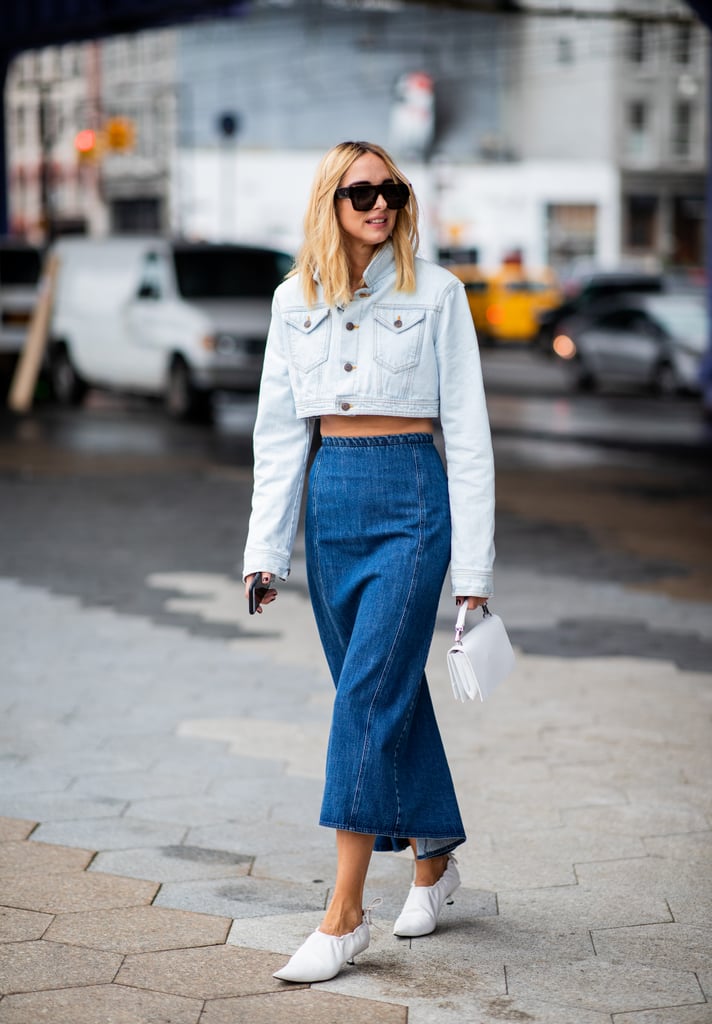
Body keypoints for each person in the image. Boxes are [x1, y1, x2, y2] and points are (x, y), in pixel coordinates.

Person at [243, 140, 495, 984]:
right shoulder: (292, 300)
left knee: (363, 697)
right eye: (361, 192)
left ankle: (344, 913)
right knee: (386, 690)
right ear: (332, 201)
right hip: (332, 500)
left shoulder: (440, 292)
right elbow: (278, 434)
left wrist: (474, 575)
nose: (379, 204)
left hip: (412, 500)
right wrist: (264, 550)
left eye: (391, 190)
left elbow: (470, 435)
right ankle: (434, 863)